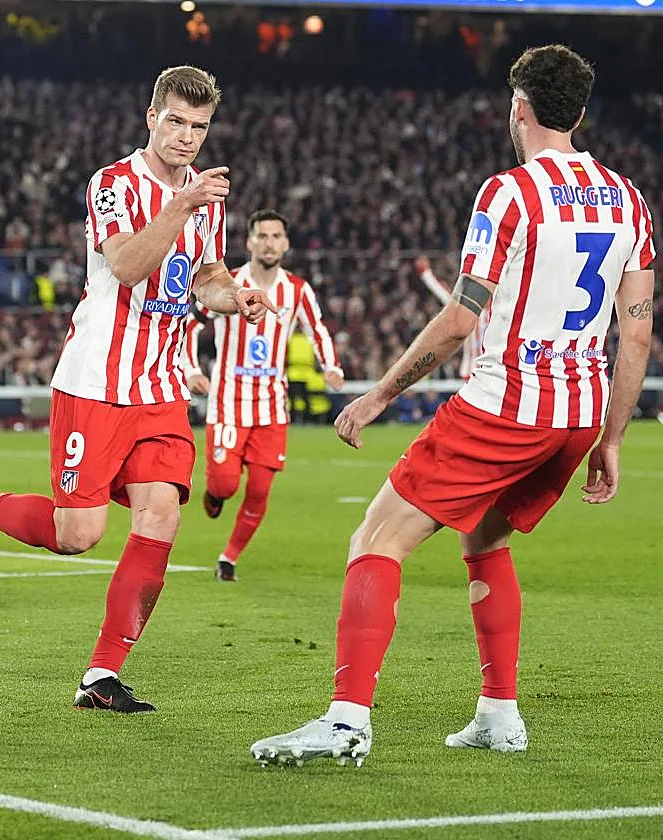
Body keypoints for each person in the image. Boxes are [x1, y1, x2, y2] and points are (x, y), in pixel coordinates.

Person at [249, 45, 655, 767]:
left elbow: (463, 318)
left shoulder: (510, 193)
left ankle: (345, 722)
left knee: (375, 542)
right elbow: (638, 327)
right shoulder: (628, 198)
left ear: (518, 109)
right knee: (486, 540)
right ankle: (499, 713)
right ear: (581, 115)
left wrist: (378, 393)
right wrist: (612, 439)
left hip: (507, 404)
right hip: (577, 415)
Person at [0, 65, 272, 712]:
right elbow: (130, 266)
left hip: (161, 387)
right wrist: (181, 206)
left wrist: (235, 299)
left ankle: (101, 674)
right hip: (96, 383)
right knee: (77, 534)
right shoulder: (112, 183)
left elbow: (207, 276)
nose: (187, 137)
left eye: (199, 127)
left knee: (160, 519)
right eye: (175, 122)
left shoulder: (206, 198)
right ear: (151, 117)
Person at [182, 209, 343, 582]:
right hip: (228, 402)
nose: (269, 243)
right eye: (262, 236)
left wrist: (330, 366)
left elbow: (317, 329)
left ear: (285, 243)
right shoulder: (227, 284)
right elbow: (191, 325)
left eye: (276, 236)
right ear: (250, 241)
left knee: (259, 491)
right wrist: (191, 369)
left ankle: (229, 558)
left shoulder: (297, 290)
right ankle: (216, 493)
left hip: (272, 406)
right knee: (224, 485)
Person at [416, 254, 487, 379]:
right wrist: (425, 273)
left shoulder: (500, 311)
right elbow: (446, 295)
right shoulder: (469, 309)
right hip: (471, 373)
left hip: (491, 375)